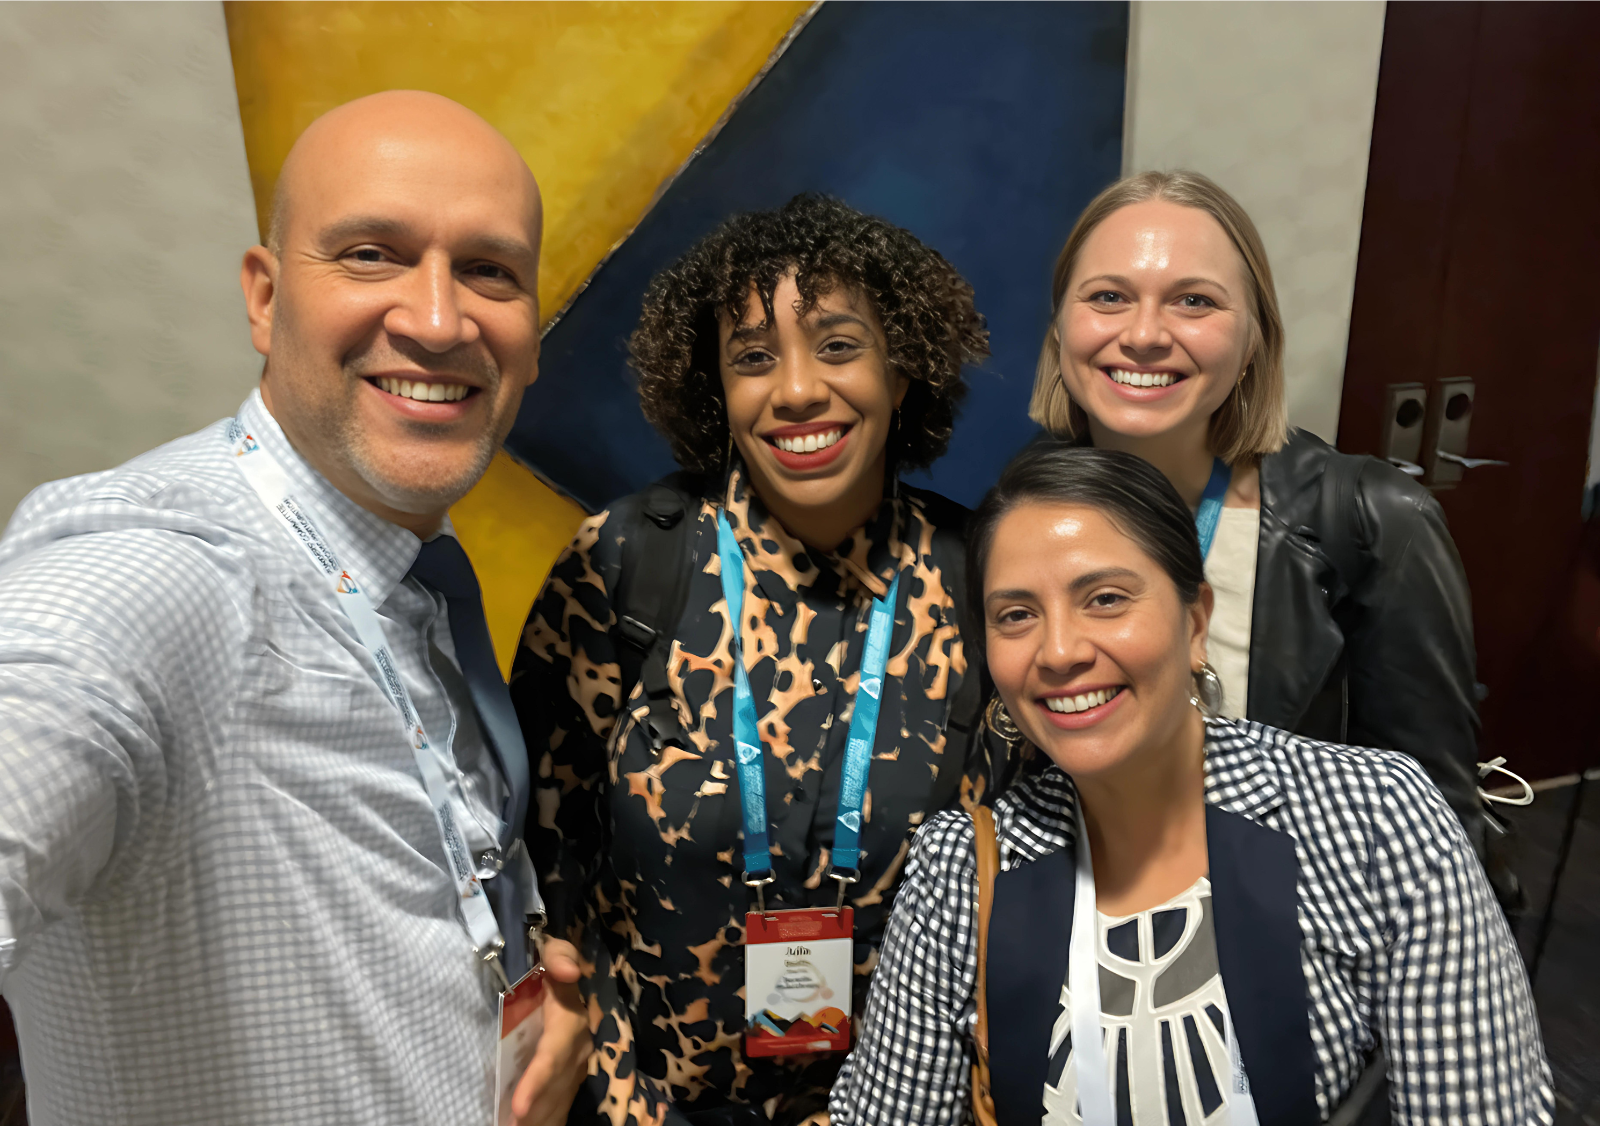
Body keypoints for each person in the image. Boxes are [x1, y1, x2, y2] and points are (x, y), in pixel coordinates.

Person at [0, 91, 588, 1126]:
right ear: (265, 299)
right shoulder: (162, 576)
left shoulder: (409, 574)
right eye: (371, 253)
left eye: (489, 271)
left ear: (533, 340)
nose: (439, 319)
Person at [830, 443, 1554, 1126]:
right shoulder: (960, 870)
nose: (1058, 651)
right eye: (1017, 615)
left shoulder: (1372, 818)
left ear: (1195, 620)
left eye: (1107, 598)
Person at [509, 193, 996, 1125]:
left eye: (841, 346)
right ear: (714, 390)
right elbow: (543, 867)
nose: (799, 390)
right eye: (753, 359)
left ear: (904, 371)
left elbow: (1017, 884)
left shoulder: (980, 579)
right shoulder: (629, 564)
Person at [1024, 171, 1497, 871]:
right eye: (1108, 297)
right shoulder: (1025, 511)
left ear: (1252, 341)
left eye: (1194, 301)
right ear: (1062, 327)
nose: (1146, 334)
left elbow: (1435, 828)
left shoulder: (1371, 525)